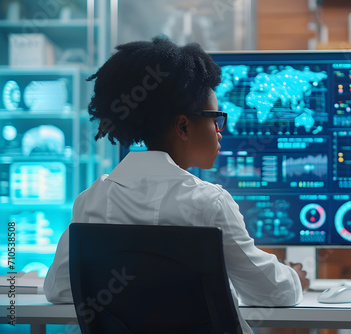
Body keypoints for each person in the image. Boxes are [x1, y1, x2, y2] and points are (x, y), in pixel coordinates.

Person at [43, 35, 309, 333]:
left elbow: (58, 289)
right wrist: (294, 276)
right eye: (215, 119)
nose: (220, 131)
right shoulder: (209, 203)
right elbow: (275, 292)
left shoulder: (93, 199)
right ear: (183, 126)